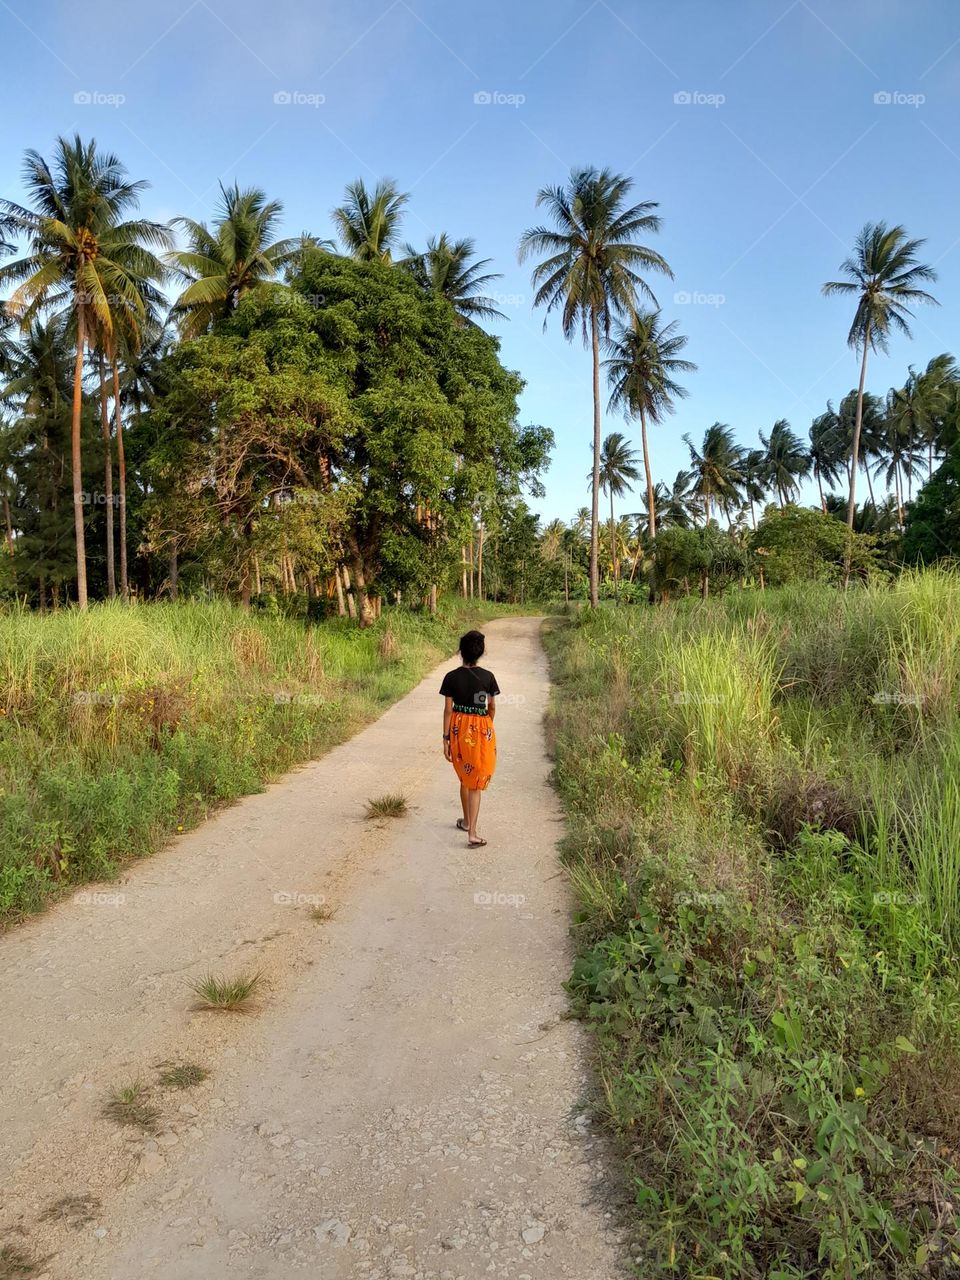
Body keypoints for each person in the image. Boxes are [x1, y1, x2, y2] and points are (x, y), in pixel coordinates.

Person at [440, 630, 499, 847]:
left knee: (466, 775)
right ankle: (472, 832)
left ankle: (466, 822)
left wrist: (446, 737)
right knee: (476, 781)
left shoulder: (451, 677)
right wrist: (486, 722)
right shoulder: (487, 677)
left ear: (461, 652)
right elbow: (490, 705)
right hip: (481, 729)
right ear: (481, 652)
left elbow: (448, 710)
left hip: (458, 729)